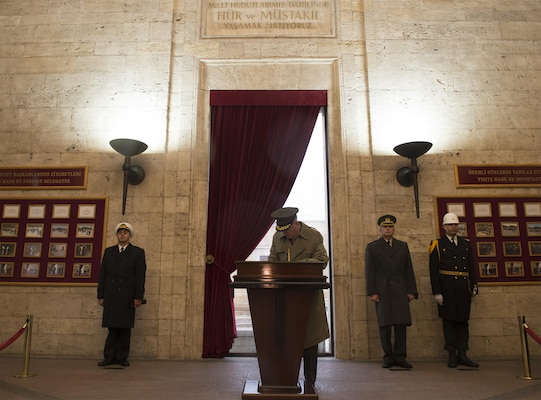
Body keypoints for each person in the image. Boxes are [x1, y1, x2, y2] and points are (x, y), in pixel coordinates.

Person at [268, 207, 329, 386]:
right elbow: (272, 262)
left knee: (310, 341)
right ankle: (287, 380)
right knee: (286, 341)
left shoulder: (313, 236)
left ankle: (310, 382)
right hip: (285, 297)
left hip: (308, 296)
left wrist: (298, 266)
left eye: (288, 229)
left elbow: (322, 260)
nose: (285, 233)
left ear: (296, 223)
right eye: (282, 230)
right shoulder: (277, 237)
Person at [365, 215, 418, 369]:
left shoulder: (402, 246)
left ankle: (400, 356)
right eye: (385, 227)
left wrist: (411, 291)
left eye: (390, 227)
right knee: (385, 325)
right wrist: (372, 292)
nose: (388, 229)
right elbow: (370, 271)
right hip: (382, 291)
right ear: (380, 229)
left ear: (394, 229)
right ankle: (388, 356)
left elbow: (409, 269)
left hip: (400, 290)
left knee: (401, 325)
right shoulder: (373, 247)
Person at [429, 212, 479, 368]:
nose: (454, 227)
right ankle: (452, 354)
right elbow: (433, 270)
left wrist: (473, 287)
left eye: (456, 224)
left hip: (463, 288)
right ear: (444, 226)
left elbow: (471, 267)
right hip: (447, 288)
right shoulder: (437, 244)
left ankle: (463, 354)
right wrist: (437, 292)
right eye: (451, 224)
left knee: (463, 323)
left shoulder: (466, 244)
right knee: (449, 323)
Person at [97, 222, 146, 367]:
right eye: (120, 232)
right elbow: (103, 275)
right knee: (112, 328)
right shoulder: (109, 252)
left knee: (124, 329)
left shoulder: (137, 252)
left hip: (127, 296)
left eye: (125, 232)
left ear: (130, 235)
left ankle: (122, 358)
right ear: (117, 235)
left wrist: (138, 297)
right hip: (111, 296)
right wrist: (101, 295)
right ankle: (109, 357)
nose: (122, 235)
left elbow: (140, 276)